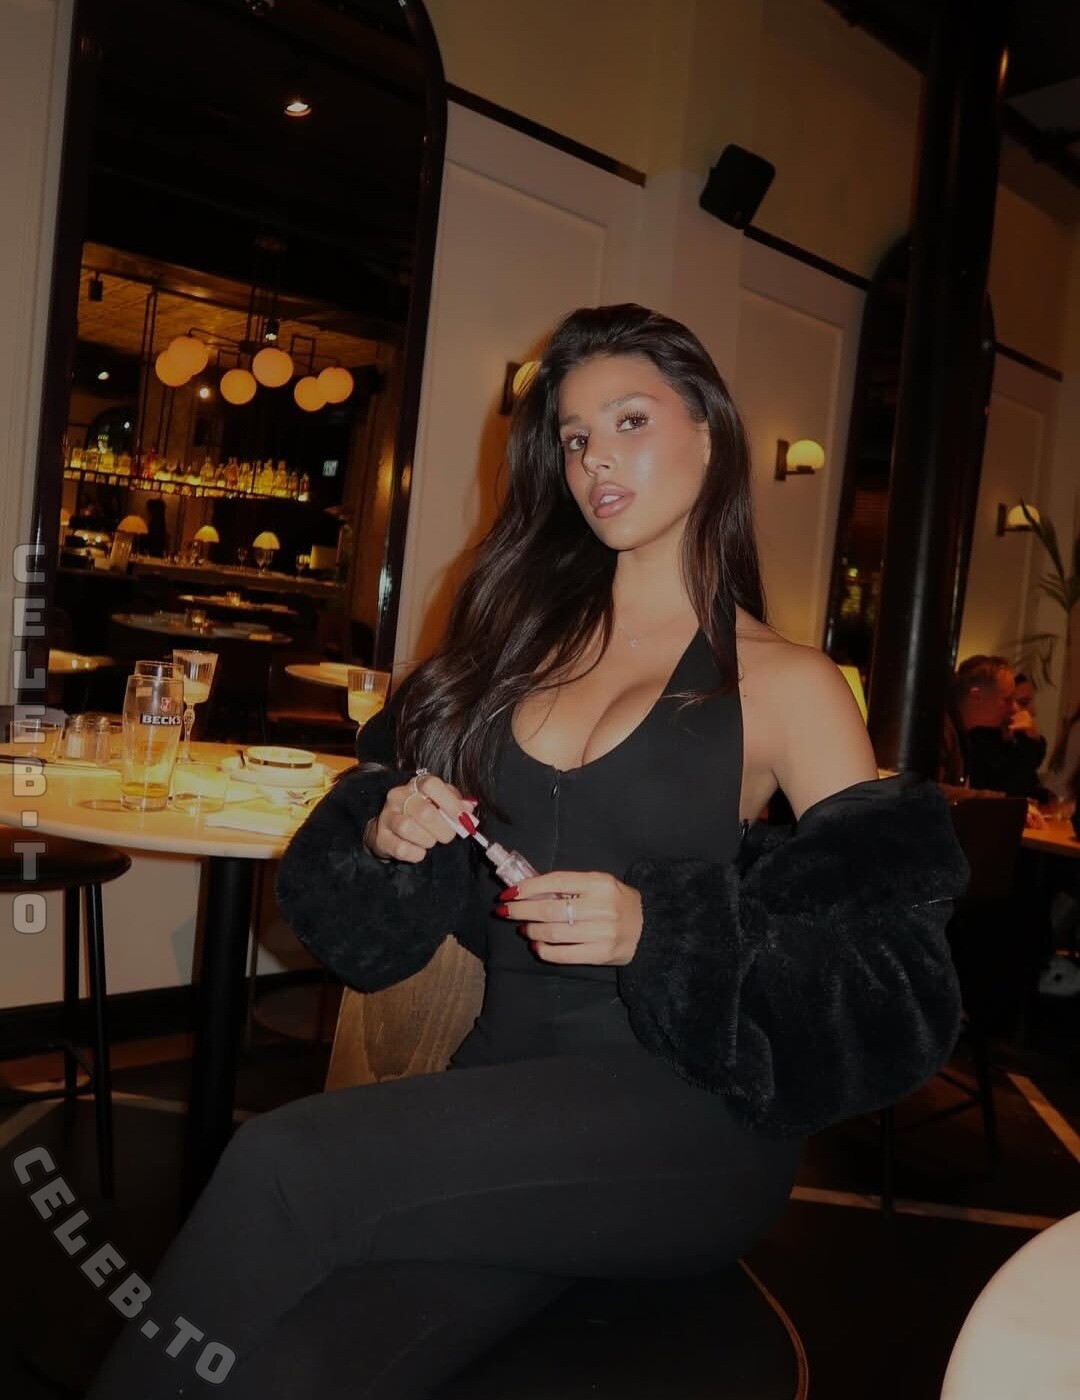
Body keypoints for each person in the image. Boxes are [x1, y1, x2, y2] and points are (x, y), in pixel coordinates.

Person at [88, 304, 967, 1399]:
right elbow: (367, 919)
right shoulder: (509, 650)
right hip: (503, 1096)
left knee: (281, 1162)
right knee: (298, 1368)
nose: (596, 458)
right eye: (575, 435)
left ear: (710, 432)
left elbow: (892, 983)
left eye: (630, 420)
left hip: (687, 1118)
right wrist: (388, 833)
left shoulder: (791, 684)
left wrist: (659, 929)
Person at [941, 655, 1051, 803]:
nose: (1013, 709)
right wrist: (1003, 804)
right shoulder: (942, 729)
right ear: (976, 696)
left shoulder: (961, 731)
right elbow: (928, 792)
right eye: (1007, 699)